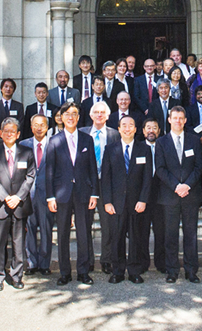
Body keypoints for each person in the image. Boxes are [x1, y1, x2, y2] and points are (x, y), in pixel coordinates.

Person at [46, 102, 99, 286]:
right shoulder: (54, 141)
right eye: (67, 114)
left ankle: (83, 272)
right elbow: (49, 171)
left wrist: (95, 194)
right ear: (61, 118)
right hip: (62, 195)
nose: (70, 117)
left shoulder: (87, 140)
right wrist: (50, 196)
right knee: (62, 234)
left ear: (78, 117)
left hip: (83, 193)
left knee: (84, 233)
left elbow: (93, 168)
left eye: (74, 114)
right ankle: (65, 272)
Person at [155, 106, 202, 283]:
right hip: (170, 195)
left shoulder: (194, 140)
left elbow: (200, 167)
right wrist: (176, 186)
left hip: (190, 195)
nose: (177, 121)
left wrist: (187, 186)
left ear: (185, 121)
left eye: (181, 118)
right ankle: (172, 270)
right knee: (170, 235)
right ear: (169, 120)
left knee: (191, 234)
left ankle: (191, 271)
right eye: (174, 118)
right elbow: (160, 169)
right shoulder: (161, 142)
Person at [101, 116, 153, 284]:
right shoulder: (110, 149)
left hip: (136, 202)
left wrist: (143, 199)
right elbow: (106, 178)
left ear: (136, 129)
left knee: (136, 239)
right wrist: (107, 201)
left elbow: (147, 178)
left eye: (131, 125)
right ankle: (117, 271)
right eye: (124, 125)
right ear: (119, 128)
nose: (127, 128)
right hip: (116, 203)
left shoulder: (143, 149)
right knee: (117, 238)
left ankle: (134, 271)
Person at [0, 117, 35, 291]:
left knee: (18, 243)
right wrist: (6, 197)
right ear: (0, 133)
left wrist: (18, 197)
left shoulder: (27, 152)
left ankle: (16, 276)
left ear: (18, 134)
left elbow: (30, 176)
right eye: (5, 131)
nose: (9, 134)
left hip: (20, 205)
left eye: (12, 131)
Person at [80, 101, 121, 275]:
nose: (99, 115)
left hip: (107, 184)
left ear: (107, 116)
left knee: (108, 224)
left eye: (102, 112)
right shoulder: (81, 133)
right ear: (90, 115)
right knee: (85, 224)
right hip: (86, 185)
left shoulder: (115, 134)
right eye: (96, 112)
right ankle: (87, 259)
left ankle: (106, 259)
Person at [21, 114, 54, 276]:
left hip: (47, 195)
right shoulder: (23, 145)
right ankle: (32, 262)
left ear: (47, 127)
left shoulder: (55, 144)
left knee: (47, 230)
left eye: (42, 125)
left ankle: (44, 264)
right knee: (30, 229)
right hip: (28, 195)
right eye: (36, 125)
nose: (39, 128)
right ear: (31, 126)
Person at [138, 119, 166, 274]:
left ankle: (161, 263)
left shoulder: (164, 147)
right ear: (143, 131)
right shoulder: (139, 147)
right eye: (148, 128)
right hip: (143, 195)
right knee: (142, 231)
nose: (151, 131)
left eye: (154, 128)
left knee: (161, 230)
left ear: (159, 131)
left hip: (161, 194)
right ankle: (143, 263)